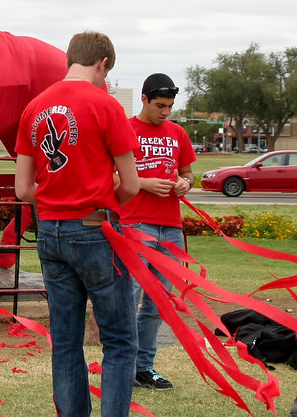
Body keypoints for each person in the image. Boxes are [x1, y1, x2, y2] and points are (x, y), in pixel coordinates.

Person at [14, 31, 140, 417]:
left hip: (50, 230)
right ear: (102, 64)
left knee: (66, 341)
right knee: (119, 339)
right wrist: (102, 204)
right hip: (93, 229)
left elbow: (23, 189)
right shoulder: (105, 105)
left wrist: (57, 199)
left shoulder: (33, 107)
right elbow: (131, 184)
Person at [119, 73, 196, 391]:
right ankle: (121, 364)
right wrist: (143, 183)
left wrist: (185, 184)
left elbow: (190, 172)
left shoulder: (178, 132)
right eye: (160, 106)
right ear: (144, 99)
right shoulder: (125, 128)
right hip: (136, 225)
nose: (165, 112)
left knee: (159, 302)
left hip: (171, 228)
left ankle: (144, 368)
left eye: (170, 106)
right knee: (129, 298)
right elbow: (106, 177)